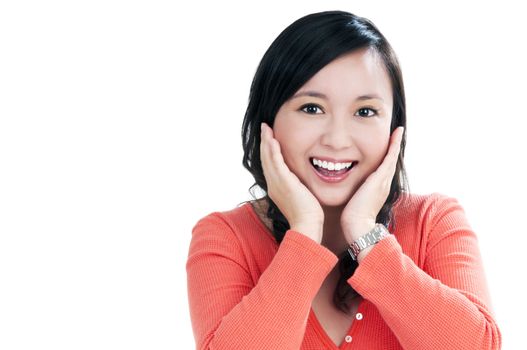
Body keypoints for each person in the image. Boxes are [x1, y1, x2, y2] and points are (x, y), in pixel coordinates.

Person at [186, 10, 501, 349]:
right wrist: (304, 232)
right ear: (268, 121)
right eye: (311, 108)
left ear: (394, 129)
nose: (337, 139)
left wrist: (366, 233)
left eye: (365, 112)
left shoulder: (434, 221)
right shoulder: (224, 238)